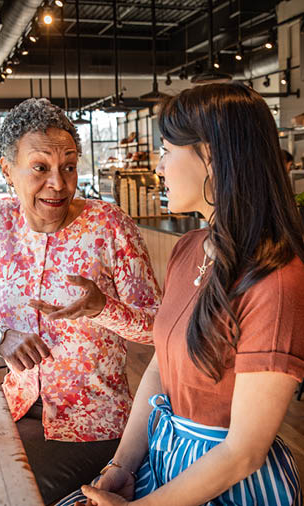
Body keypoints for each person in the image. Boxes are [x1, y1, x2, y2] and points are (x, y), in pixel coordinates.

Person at [58, 84, 304, 506]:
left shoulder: (275, 278)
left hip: (230, 487)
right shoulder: (189, 248)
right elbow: (158, 371)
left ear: (210, 156)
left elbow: (243, 452)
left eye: (167, 150)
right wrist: (120, 467)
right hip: (163, 461)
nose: (159, 166)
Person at [0, 98, 161, 504]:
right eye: (40, 168)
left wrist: (103, 308)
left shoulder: (109, 225)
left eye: (69, 167)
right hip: (17, 408)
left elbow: (158, 328)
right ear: (7, 171)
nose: (58, 183)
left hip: (96, 424)